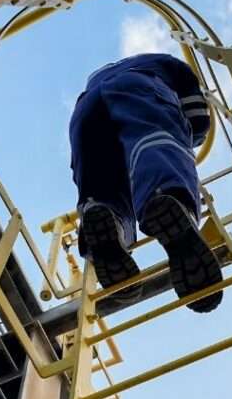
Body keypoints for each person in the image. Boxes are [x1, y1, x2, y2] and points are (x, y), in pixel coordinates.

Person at [68, 52, 223, 313]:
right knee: (156, 143)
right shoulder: (160, 63)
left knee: (99, 179)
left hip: (85, 110)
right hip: (137, 87)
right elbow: (196, 115)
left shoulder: (94, 81)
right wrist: (192, 134)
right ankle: (168, 198)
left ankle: (111, 222)